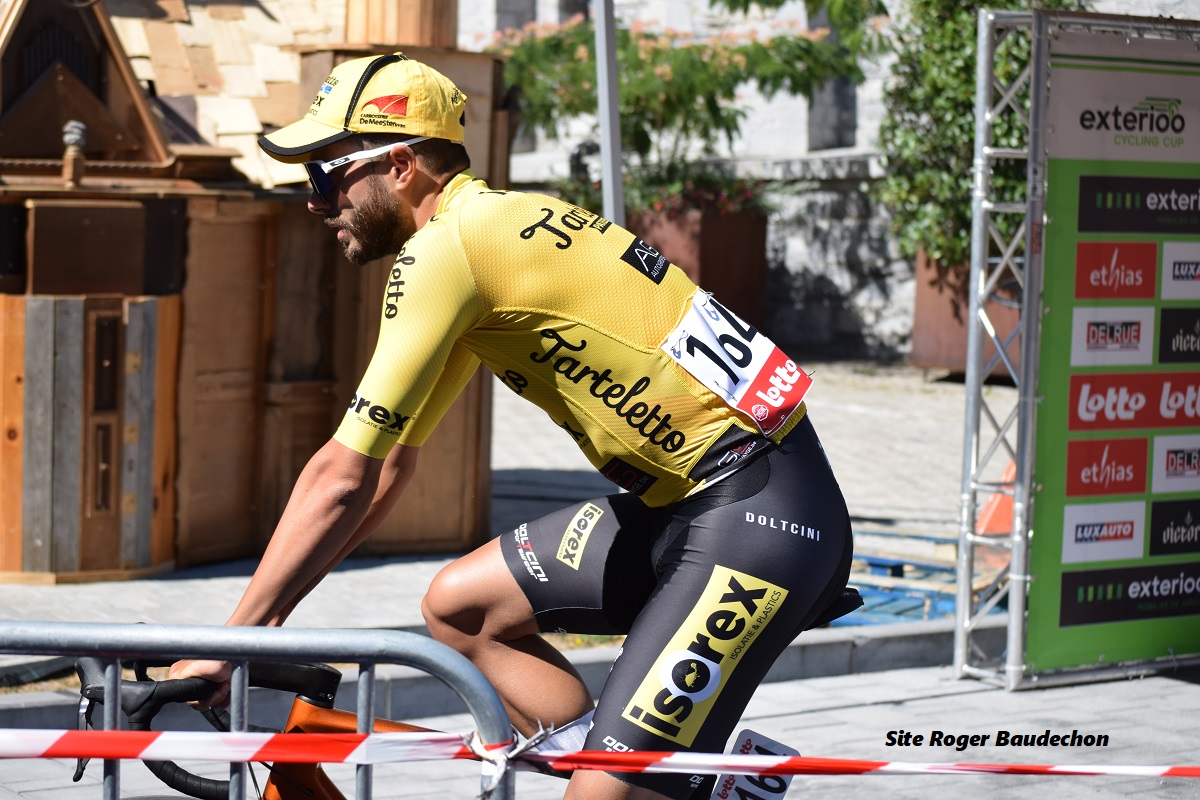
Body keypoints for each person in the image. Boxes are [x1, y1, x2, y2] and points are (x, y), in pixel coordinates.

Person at [170, 52, 855, 800]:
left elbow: (343, 475)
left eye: (326, 175)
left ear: (400, 166)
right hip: (705, 502)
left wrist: (232, 641)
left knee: (602, 795)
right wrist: (256, 629)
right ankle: (652, 768)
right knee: (461, 610)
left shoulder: (448, 251)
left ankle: (650, 778)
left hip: (759, 520)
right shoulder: (493, 228)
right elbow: (386, 467)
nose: (314, 201)